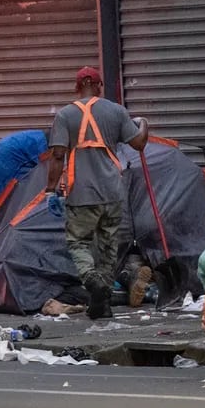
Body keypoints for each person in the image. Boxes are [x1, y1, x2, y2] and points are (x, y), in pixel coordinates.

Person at [46, 66, 149, 319]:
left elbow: (58, 155)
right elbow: (139, 143)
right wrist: (143, 123)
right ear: (96, 84)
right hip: (113, 192)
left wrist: (51, 190)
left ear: (80, 85)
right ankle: (100, 304)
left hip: (81, 193)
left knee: (78, 242)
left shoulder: (65, 115)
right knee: (107, 246)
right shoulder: (117, 111)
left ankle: (91, 279)